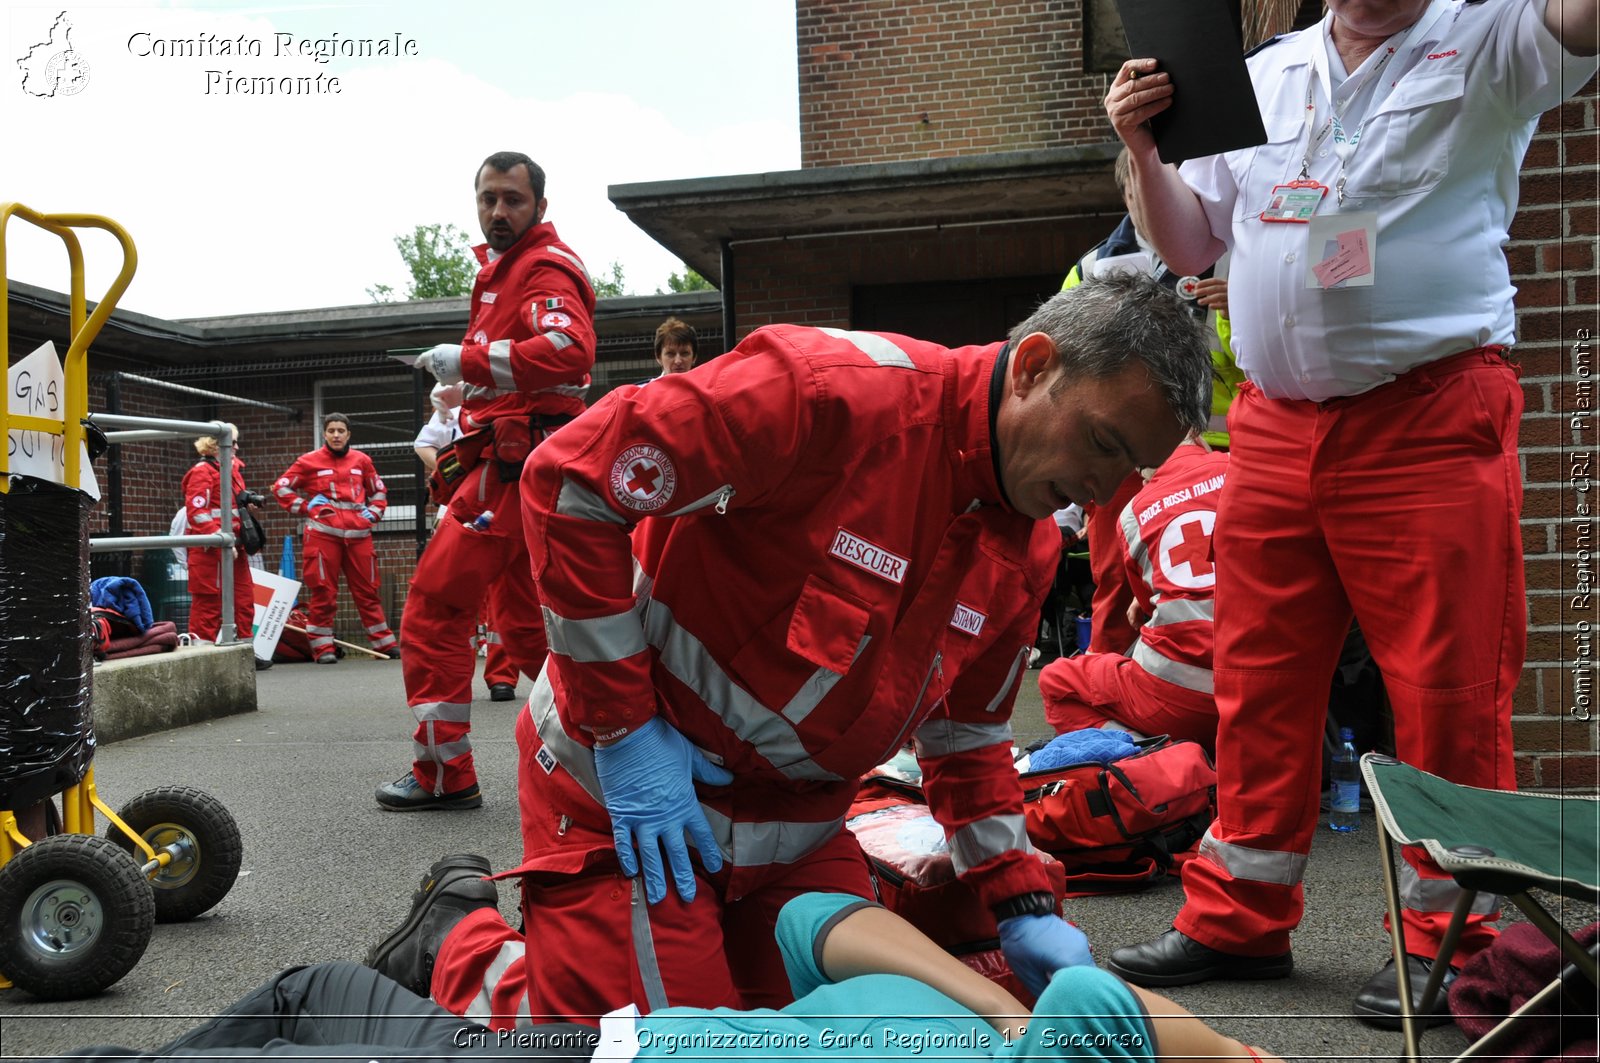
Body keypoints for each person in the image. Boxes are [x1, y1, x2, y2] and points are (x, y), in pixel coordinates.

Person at [420, 272, 1210, 1026]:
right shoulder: (826, 394)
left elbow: (968, 740)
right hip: (635, 804)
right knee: (659, 1051)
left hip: (794, 840)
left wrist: (1021, 902)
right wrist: (623, 729)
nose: (1109, 492)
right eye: (1104, 443)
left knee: (843, 1042)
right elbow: (573, 480)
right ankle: (460, 947)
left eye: (1132, 467)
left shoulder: (1029, 550)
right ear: (1035, 365)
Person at [1100, 0, 1599, 1027]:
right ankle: (1238, 912)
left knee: (1447, 691)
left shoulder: (1495, 35)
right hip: (1280, 427)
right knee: (1258, 679)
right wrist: (1142, 151)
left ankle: (1451, 939)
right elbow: (1196, 243)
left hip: (1424, 415)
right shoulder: (1267, 70)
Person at [59, 868, 1287, 1063]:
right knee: (308, 993)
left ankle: (459, 924)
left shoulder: (1067, 1042)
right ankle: (455, 921)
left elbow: (1083, 997)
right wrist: (987, 993)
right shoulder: (978, 1016)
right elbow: (814, 915)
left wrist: (1234, 1052)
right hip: (596, 1046)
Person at [381, 150, 596, 811]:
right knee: (528, 628)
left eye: (512, 199)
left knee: (435, 609)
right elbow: (531, 366)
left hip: (510, 475)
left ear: (539, 207)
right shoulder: (505, 271)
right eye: (488, 198)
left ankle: (444, 775)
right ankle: (611, 749)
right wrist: (468, 381)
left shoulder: (541, 268)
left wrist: (466, 358)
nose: (498, 210)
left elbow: (569, 351)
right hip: (508, 468)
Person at [1038, 437, 1227, 754]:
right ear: (1200, 439)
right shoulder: (1236, 470)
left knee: (1056, 681)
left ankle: (1146, 753)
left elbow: (1138, 607)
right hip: (1254, 678)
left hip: (1175, 690)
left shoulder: (1132, 512)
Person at [414, 383, 521, 704]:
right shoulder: (458, 404)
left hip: (503, 508)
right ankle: (450, 675)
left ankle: (502, 677)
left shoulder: (515, 400)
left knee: (503, 595)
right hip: (461, 508)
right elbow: (423, 444)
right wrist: (455, 470)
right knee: (456, 592)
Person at [273, 413, 399, 664]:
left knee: (368, 591)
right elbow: (281, 487)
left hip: (359, 536)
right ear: (325, 434)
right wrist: (307, 507)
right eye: (331, 430)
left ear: (349, 434)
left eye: (341, 430)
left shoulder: (362, 460)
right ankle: (322, 649)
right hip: (323, 536)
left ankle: (384, 644)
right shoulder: (308, 461)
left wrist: (372, 514)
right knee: (323, 592)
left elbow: (379, 491)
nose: (336, 435)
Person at [180, 427, 257, 645]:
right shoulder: (202, 472)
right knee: (208, 605)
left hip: (234, 547)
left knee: (244, 601)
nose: (236, 447)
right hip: (209, 551)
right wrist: (219, 538)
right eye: (232, 443)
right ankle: (201, 656)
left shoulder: (231, 471)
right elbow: (197, 512)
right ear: (216, 445)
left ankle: (245, 652)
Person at [642, 316, 698, 382]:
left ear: (694, 357)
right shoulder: (646, 391)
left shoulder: (705, 390)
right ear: (658, 357)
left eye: (684, 353)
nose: (678, 361)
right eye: (670, 354)